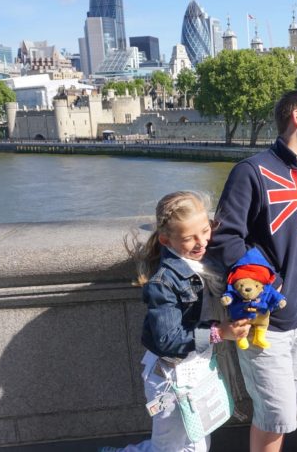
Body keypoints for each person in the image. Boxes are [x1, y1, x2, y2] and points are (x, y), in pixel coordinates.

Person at [206, 89, 297, 452]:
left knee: (282, 416)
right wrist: (269, 287)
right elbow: (226, 239)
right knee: (274, 417)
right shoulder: (251, 171)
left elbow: (291, 223)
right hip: (265, 320)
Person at [104, 191, 251, 452]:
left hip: (196, 370)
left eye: (205, 230)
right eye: (189, 238)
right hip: (169, 379)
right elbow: (166, 339)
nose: (201, 242)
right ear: (165, 240)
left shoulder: (203, 262)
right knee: (171, 447)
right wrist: (219, 332)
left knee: (197, 443)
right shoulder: (162, 281)